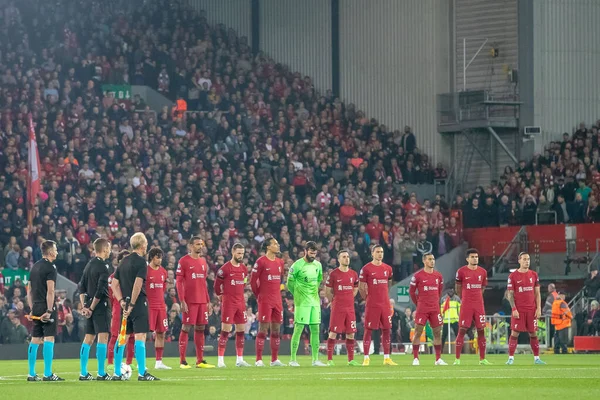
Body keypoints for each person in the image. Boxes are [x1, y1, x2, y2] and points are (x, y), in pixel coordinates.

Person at [111, 232, 159, 380]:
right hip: (137, 304)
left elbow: (114, 284)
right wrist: (132, 303)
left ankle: (116, 373)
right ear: (143, 245)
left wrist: (121, 302)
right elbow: (138, 284)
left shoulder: (123, 262)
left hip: (125, 304)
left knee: (122, 337)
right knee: (140, 336)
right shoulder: (141, 263)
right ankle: (142, 373)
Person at [26, 240, 64, 381]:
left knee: (35, 339)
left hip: (35, 305)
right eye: (55, 249)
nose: (57, 251)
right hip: (46, 306)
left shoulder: (34, 266)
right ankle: (47, 374)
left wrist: (32, 309)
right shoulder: (50, 267)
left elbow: (29, 290)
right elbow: (51, 290)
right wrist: (49, 310)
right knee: (49, 338)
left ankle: (31, 373)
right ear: (49, 252)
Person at [176, 236, 215, 368]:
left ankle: (200, 360)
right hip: (190, 301)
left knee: (200, 328)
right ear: (191, 246)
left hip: (202, 301)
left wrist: (208, 301)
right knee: (186, 327)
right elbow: (179, 282)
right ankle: (182, 361)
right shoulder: (183, 261)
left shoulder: (203, 262)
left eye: (201, 244)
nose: (200, 246)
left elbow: (204, 283)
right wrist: (182, 300)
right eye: (197, 244)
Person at [77, 238, 112, 380]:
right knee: (102, 337)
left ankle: (83, 372)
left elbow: (81, 287)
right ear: (104, 249)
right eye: (108, 248)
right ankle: (101, 373)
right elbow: (100, 289)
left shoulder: (89, 264)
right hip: (100, 306)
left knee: (89, 338)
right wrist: (90, 308)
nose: (110, 250)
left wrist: (85, 306)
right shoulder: (103, 266)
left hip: (90, 306)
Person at [287, 241, 326, 366]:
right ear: (305, 251)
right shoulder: (297, 265)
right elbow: (289, 284)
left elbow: (319, 280)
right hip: (302, 303)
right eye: (311, 252)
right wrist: (298, 295)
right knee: (298, 329)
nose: (313, 255)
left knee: (315, 329)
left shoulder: (318, 265)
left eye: (315, 253)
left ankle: (315, 360)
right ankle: (293, 359)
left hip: (314, 302)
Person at [358, 245, 397, 366]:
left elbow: (389, 283)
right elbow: (361, 287)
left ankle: (386, 357)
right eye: (378, 252)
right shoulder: (366, 269)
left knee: (386, 329)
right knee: (368, 330)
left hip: (384, 304)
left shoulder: (388, 268)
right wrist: (367, 298)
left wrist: (384, 296)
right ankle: (366, 358)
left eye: (382, 252)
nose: (380, 254)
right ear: (372, 253)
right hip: (372, 304)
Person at [250, 238, 286, 367]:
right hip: (265, 300)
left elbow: (280, 279)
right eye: (275, 244)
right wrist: (259, 295)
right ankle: (258, 359)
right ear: (268, 247)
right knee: (263, 329)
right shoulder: (260, 262)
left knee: (276, 330)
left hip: (277, 300)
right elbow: (253, 281)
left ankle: (274, 359)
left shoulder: (280, 262)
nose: (277, 245)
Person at [506, 252, 545, 365]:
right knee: (515, 333)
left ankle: (537, 358)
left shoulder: (534, 275)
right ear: (519, 261)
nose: (527, 261)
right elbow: (510, 294)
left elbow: (537, 293)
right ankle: (511, 358)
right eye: (524, 259)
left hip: (531, 310)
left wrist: (538, 309)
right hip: (519, 310)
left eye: (528, 259)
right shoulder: (512, 276)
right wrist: (514, 309)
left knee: (533, 333)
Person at [453, 248, 492, 365]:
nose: (475, 259)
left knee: (481, 330)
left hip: (479, 305)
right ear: (467, 259)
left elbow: (483, 288)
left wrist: (477, 297)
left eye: (476, 257)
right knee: (462, 330)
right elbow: (457, 287)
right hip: (466, 305)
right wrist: (464, 298)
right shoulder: (461, 271)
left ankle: (482, 359)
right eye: (472, 257)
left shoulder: (483, 272)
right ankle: (457, 359)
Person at [215, 243, 250, 368]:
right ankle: (220, 360)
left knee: (241, 330)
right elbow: (216, 285)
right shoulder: (224, 269)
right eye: (239, 253)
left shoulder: (244, 269)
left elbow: (244, 283)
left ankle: (239, 359)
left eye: (242, 253)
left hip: (240, 302)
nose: (241, 256)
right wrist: (220, 295)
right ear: (233, 252)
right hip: (229, 303)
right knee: (226, 330)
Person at [409, 253, 446, 366]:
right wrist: (418, 304)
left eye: (433, 259)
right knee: (418, 332)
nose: (432, 261)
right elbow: (411, 292)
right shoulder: (417, 276)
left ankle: (438, 359)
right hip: (422, 308)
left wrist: (435, 303)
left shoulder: (438, 276)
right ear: (424, 261)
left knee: (437, 333)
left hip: (435, 308)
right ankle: (416, 358)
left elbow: (439, 291)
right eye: (430, 259)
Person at [325, 249, 360, 366]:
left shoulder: (353, 274)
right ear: (339, 259)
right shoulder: (334, 274)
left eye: (347, 256)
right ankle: (330, 359)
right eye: (344, 257)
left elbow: (356, 287)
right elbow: (328, 290)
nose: (346, 258)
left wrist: (349, 296)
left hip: (350, 308)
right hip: (338, 308)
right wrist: (333, 301)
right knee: (333, 332)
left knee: (351, 333)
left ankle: (351, 360)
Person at [107, 250, 133, 372]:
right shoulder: (112, 277)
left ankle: (129, 361)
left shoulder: (133, 275)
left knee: (131, 335)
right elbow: (110, 295)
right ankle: (111, 361)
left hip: (131, 307)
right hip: (118, 307)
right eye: (124, 258)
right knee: (115, 335)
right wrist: (112, 310)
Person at [146, 247, 171, 369]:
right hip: (149, 306)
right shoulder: (145, 271)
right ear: (151, 257)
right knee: (142, 334)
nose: (159, 260)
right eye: (157, 257)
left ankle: (158, 362)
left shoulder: (163, 272)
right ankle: (135, 361)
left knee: (161, 333)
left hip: (161, 306)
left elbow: (163, 288)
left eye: (161, 257)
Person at [439, 288, 460, 354]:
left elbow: (460, 310)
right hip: (446, 320)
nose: (451, 292)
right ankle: (440, 351)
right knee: (443, 337)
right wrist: (441, 319)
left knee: (458, 336)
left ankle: (459, 351)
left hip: (455, 320)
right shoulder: (443, 299)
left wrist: (460, 318)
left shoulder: (457, 299)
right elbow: (441, 311)